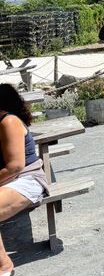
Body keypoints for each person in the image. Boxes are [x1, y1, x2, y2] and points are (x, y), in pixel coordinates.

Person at [0, 84, 49, 275]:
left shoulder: (8, 122)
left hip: (28, 179)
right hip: (11, 180)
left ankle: (4, 267)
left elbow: (15, 166)